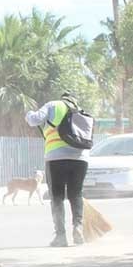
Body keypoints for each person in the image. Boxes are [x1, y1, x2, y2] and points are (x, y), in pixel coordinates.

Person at [25, 92, 90, 247]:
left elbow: (34, 120)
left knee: (57, 197)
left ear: (63, 98)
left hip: (56, 157)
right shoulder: (80, 111)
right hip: (80, 158)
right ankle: (78, 227)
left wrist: (28, 113)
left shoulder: (53, 104)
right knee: (76, 194)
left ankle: (61, 236)